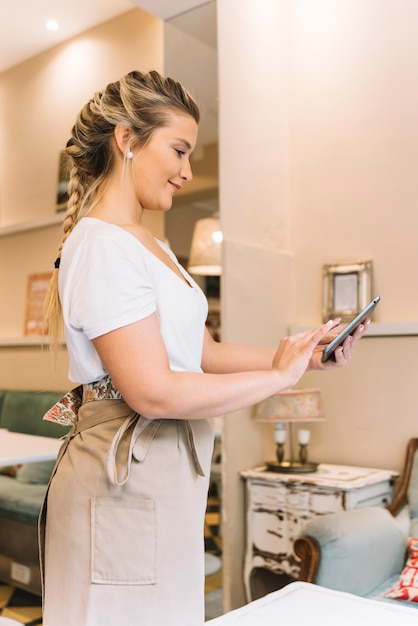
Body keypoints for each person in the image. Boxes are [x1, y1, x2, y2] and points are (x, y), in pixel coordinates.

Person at [41, 70, 368, 626]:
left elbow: (204, 354)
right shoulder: (101, 246)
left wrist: (294, 356)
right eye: (179, 150)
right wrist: (278, 380)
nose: (187, 172)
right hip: (122, 484)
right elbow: (152, 391)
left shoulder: (152, 245)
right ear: (126, 140)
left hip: (165, 478)